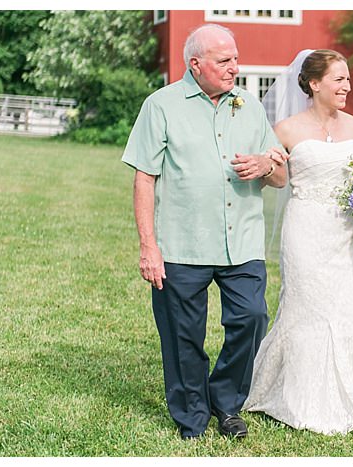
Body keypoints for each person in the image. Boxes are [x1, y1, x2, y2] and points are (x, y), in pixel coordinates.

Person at [121, 24, 288, 440]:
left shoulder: (249, 105)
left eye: (235, 57)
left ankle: (226, 402)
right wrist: (149, 247)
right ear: (195, 64)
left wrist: (267, 166)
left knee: (252, 318)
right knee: (182, 335)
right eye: (224, 60)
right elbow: (145, 178)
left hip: (243, 241)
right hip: (182, 242)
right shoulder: (160, 106)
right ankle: (192, 415)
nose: (236, 66)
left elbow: (280, 175)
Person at [242, 49, 353, 435]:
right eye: (339, 79)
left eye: (348, 79)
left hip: (348, 233)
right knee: (308, 308)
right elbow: (273, 181)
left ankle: (348, 393)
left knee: (350, 310)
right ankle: (297, 395)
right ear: (314, 83)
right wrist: (269, 163)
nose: (348, 85)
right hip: (306, 227)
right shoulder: (287, 129)